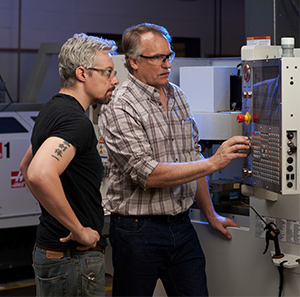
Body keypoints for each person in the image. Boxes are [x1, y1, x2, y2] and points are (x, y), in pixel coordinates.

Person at [99, 23, 249, 297]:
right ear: (133, 61)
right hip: (137, 232)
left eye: (168, 56)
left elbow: (192, 157)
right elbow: (147, 174)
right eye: (157, 58)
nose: (166, 64)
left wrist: (210, 213)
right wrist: (214, 163)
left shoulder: (177, 95)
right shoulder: (120, 104)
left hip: (181, 226)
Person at [20, 33, 119, 297]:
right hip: (72, 259)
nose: (115, 80)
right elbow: (39, 173)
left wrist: (56, 215)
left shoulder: (51, 109)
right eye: (108, 72)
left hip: (53, 253)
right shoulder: (76, 121)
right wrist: (79, 230)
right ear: (82, 73)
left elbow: (26, 167)